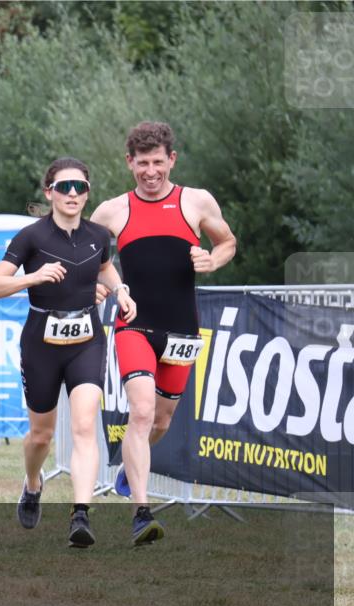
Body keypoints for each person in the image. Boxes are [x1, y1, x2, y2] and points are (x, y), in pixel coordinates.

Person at [91, 122, 236, 545]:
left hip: (181, 330)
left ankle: (127, 470)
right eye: (142, 163)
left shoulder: (196, 201)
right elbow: (91, 258)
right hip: (134, 324)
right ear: (129, 163)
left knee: (160, 419)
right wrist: (104, 285)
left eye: (158, 162)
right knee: (139, 412)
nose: (150, 171)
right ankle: (142, 512)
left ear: (172, 160)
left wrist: (214, 259)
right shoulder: (112, 210)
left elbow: (227, 241)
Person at [0, 157, 136, 548]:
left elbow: (105, 269)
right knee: (42, 435)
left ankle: (80, 514)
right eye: (65, 186)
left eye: (80, 187)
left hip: (87, 338)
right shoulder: (31, 236)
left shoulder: (99, 235)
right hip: (41, 342)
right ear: (49, 191)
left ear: (88, 192)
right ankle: (33, 483)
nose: (73, 194)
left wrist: (120, 291)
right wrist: (33, 276)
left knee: (85, 425)